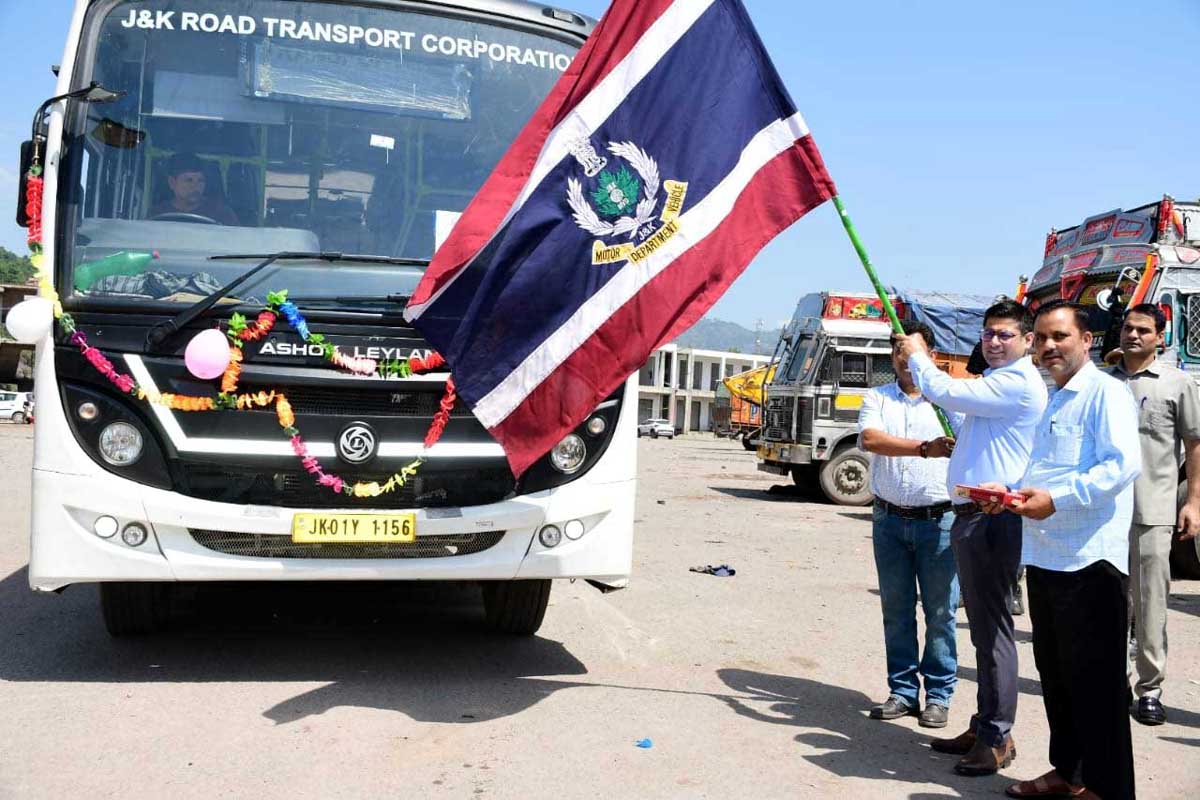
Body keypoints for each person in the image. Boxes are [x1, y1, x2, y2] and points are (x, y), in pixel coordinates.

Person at [979, 300, 1140, 800]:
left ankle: (1107, 787)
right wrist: (1006, 494)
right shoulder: (1050, 397)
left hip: (1090, 561)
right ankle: (1068, 773)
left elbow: (1120, 467)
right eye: (1043, 338)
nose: (1049, 346)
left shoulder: (1105, 393)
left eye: (1060, 337)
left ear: (1086, 341)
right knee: (1059, 677)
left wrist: (1059, 500)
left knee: (1098, 685)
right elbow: (1042, 472)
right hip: (1046, 555)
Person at [893, 300, 1047, 776]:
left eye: (1004, 335)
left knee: (994, 630)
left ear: (1025, 341)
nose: (994, 342)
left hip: (993, 517)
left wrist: (918, 353)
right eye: (988, 334)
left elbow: (941, 390)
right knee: (981, 630)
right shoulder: (995, 384)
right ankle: (986, 725)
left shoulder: (1018, 382)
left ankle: (997, 736)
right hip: (973, 514)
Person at [858, 319, 963, 729]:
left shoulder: (950, 402)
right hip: (888, 520)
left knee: (941, 612)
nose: (906, 362)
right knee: (896, 610)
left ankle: (938, 694)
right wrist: (925, 449)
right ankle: (902, 691)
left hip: (939, 521)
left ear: (930, 357)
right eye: (899, 354)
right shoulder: (878, 398)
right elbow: (870, 440)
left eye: (913, 353)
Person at [1108, 303, 1200, 727]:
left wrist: (1193, 502)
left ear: (1160, 337)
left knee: (1150, 604)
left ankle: (1150, 688)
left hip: (1152, 511)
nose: (1133, 335)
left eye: (1143, 330)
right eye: (1128, 328)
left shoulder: (1177, 384)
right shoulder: (1102, 384)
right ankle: (1112, 683)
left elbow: (1194, 445)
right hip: (1103, 515)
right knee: (1107, 606)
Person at [150, 152, 238, 225]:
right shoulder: (157, 213)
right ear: (172, 183)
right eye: (189, 180)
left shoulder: (221, 213)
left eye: (201, 180)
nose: (195, 186)